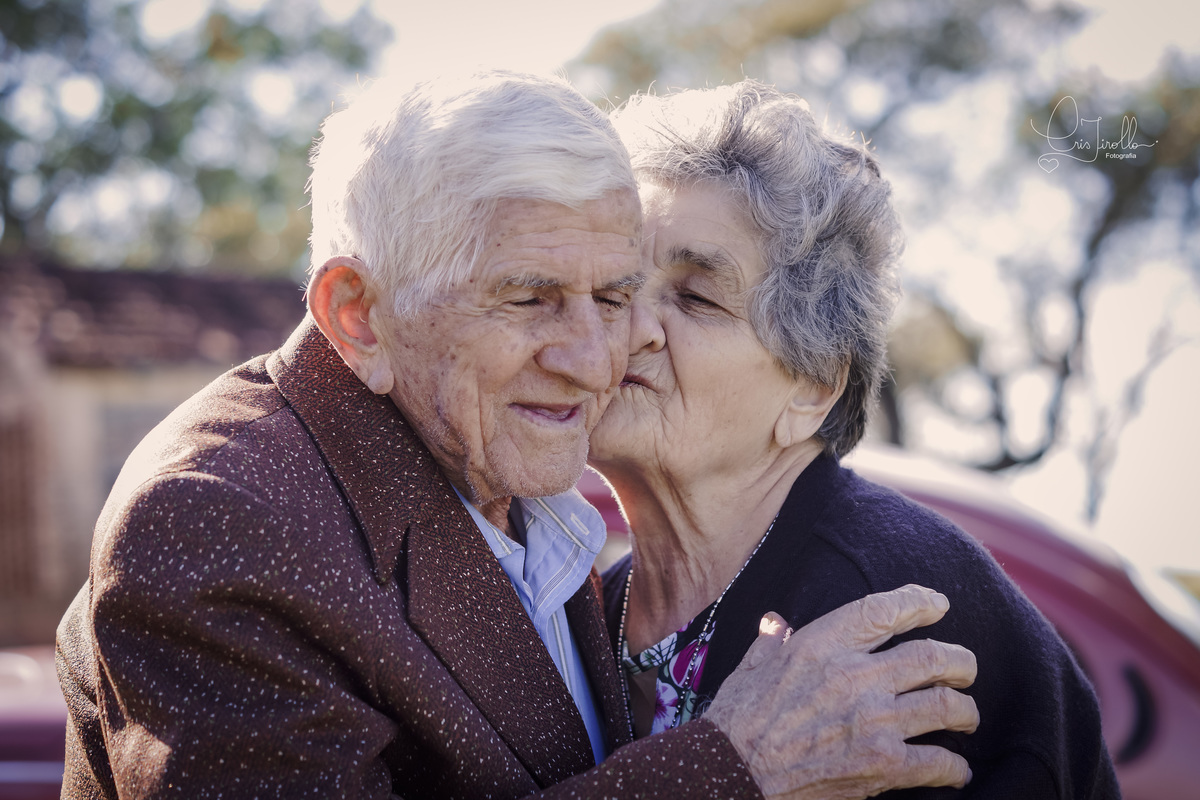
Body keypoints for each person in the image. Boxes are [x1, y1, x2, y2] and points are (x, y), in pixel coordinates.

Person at [56, 71, 978, 799]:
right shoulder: (217, 517)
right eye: (528, 298)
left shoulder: (514, 465)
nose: (596, 358)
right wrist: (733, 770)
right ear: (359, 315)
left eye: (614, 294)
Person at [590, 80, 1121, 797]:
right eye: (617, 288)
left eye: (696, 298)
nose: (631, 326)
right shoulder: (596, 601)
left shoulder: (884, 608)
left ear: (812, 387)